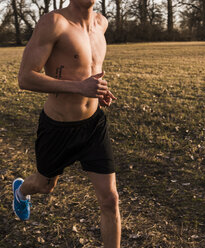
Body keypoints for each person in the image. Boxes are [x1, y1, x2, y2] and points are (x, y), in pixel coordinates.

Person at [12, 0, 121, 247]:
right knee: (44, 185)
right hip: (58, 127)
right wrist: (79, 87)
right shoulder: (54, 23)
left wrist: (99, 90)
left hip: (93, 126)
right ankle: (20, 191)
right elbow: (25, 77)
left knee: (110, 200)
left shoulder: (101, 23)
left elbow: (90, 68)